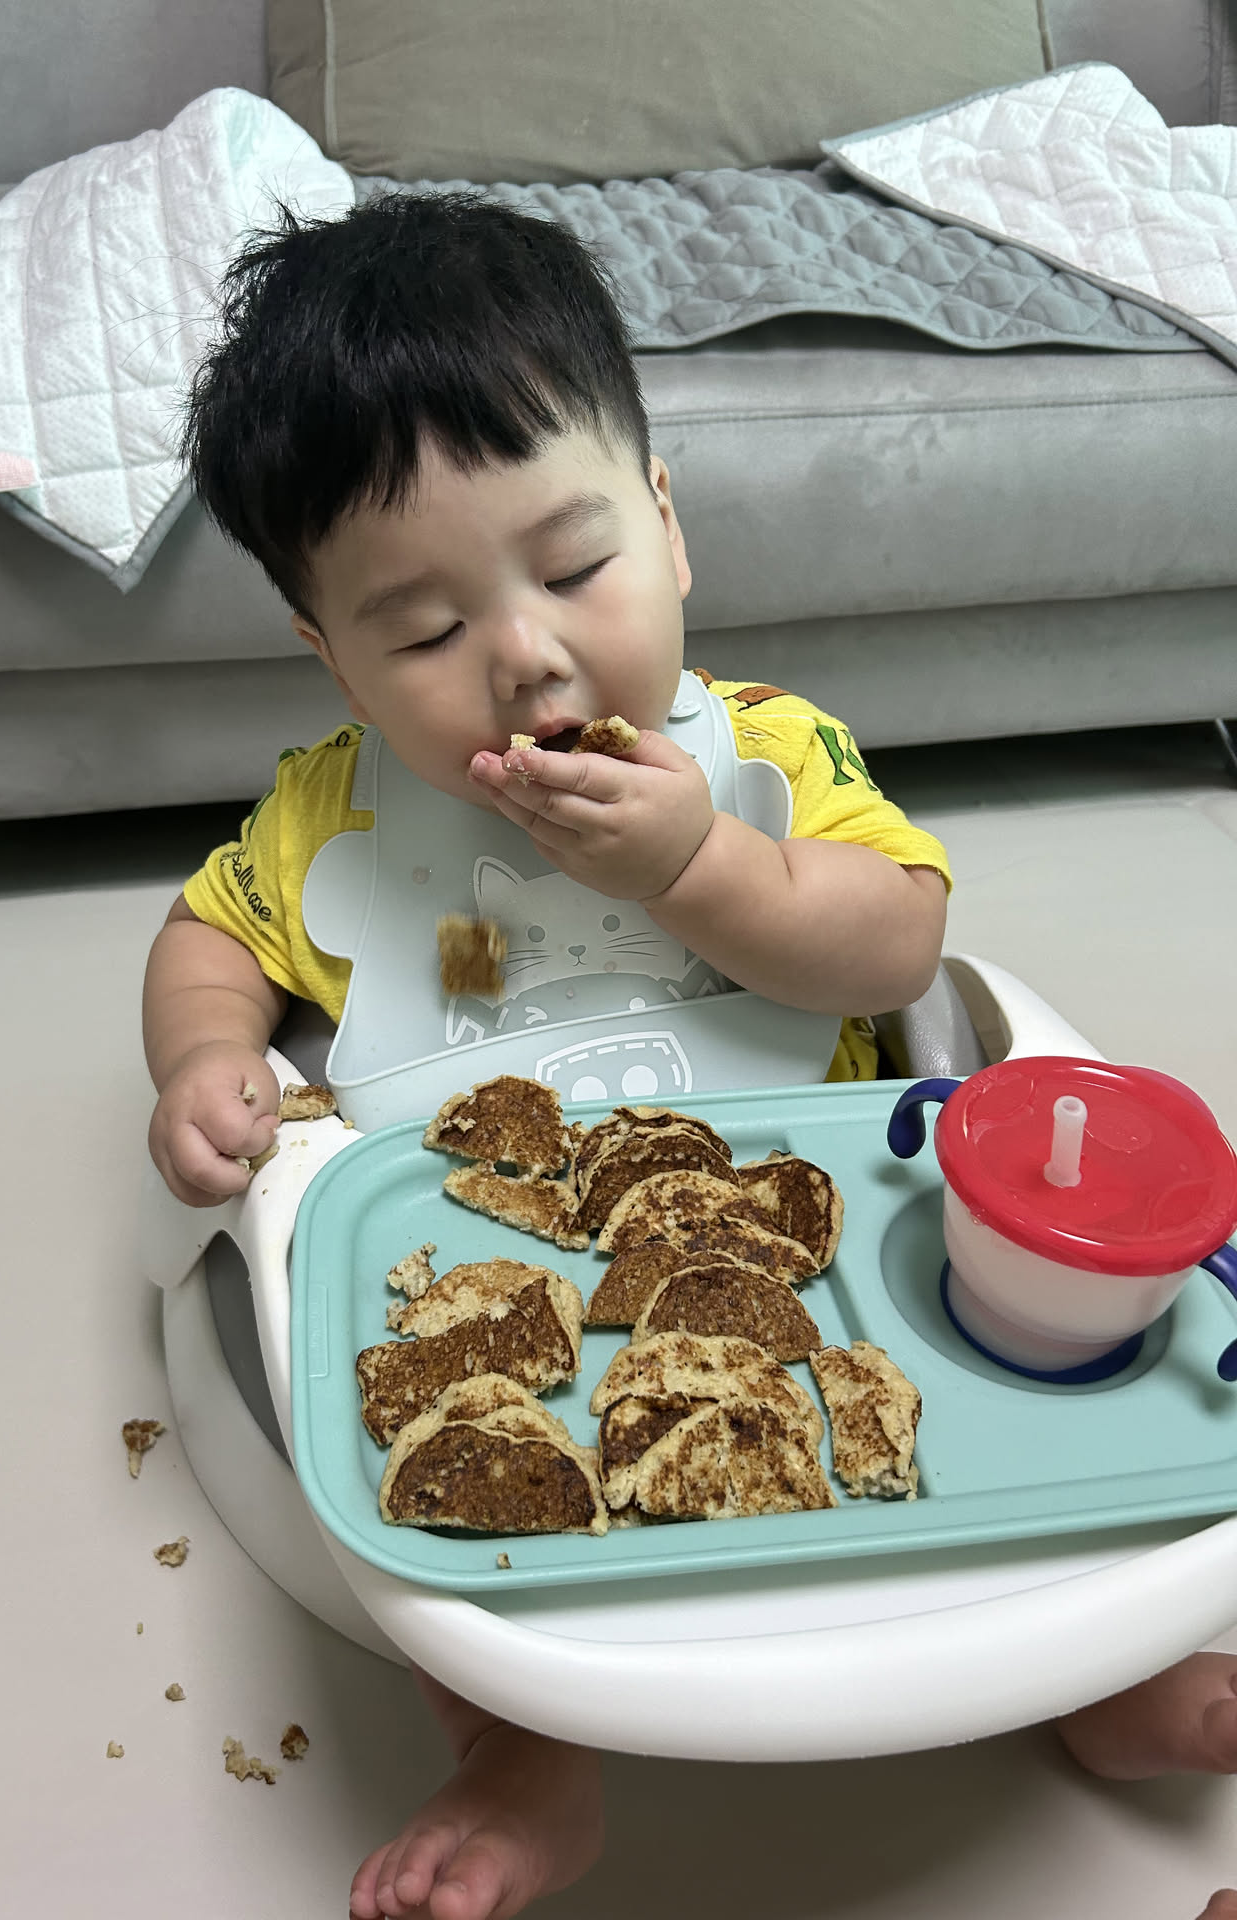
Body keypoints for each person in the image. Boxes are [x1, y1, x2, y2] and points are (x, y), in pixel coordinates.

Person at [141, 192, 1237, 1920]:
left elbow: (901, 942)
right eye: (421, 633)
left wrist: (698, 866)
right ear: (334, 660)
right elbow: (210, 938)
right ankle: (526, 1751)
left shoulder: (774, 758)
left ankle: (1103, 1677)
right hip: (488, 1238)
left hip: (823, 1229)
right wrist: (206, 1055)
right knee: (449, 1461)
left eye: (575, 569)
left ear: (666, 523)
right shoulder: (330, 817)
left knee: (999, 1406)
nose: (526, 655)